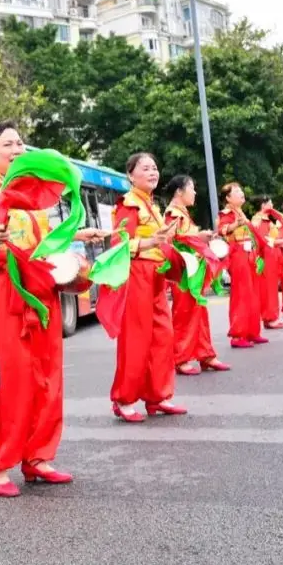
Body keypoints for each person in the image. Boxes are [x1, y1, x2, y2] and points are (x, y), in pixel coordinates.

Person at [0, 121, 108, 497]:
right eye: (7, 144)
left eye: (20, 142)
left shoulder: (34, 191)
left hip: (43, 287)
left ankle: (38, 458)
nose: (16, 148)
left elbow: (40, 238)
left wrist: (79, 234)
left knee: (49, 373)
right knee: (17, 378)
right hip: (10, 288)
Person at [109, 152, 186, 422]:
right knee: (136, 338)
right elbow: (118, 245)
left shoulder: (152, 206)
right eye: (145, 168)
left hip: (156, 273)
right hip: (137, 271)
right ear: (131, 175)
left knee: (162, 336)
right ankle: (124, 398)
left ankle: (158, 396)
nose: (153, 172)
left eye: (155, 167)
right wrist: (147, 244)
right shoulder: (129, 205)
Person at [164, 174, 231, 375]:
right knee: (183, 314)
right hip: (184, 271)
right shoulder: (172, 214)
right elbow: (169, 240)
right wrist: (197, 237)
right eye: (191, 188)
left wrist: (202, 237)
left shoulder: (183, 214)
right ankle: (180, 358)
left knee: (199, 312)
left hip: (194, 270)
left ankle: (206, 354)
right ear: (179, 191)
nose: (194, 192)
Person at [216, 183, 266, 348]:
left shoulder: (241, 212)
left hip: (249, 254)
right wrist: (235, 224)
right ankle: (238, 335)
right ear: (228, 198)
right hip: (237, 254)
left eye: (241, 191)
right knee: (241, 295)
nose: (241, 193)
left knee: (253, 294)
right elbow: (222, 230)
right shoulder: (226, 214)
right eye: (236, 192)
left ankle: (252, 331)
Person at [251, 197, 283, 331]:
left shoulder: (266, 220)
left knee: (272, 288)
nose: (272, 205)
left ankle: (272, 317)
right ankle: (270, 318)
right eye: (270, 203)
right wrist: (279, 241)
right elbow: (263, 240)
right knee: (268, 289)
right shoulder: (259, 219)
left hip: (271, 256)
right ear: (263, 205)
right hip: (265, 257)